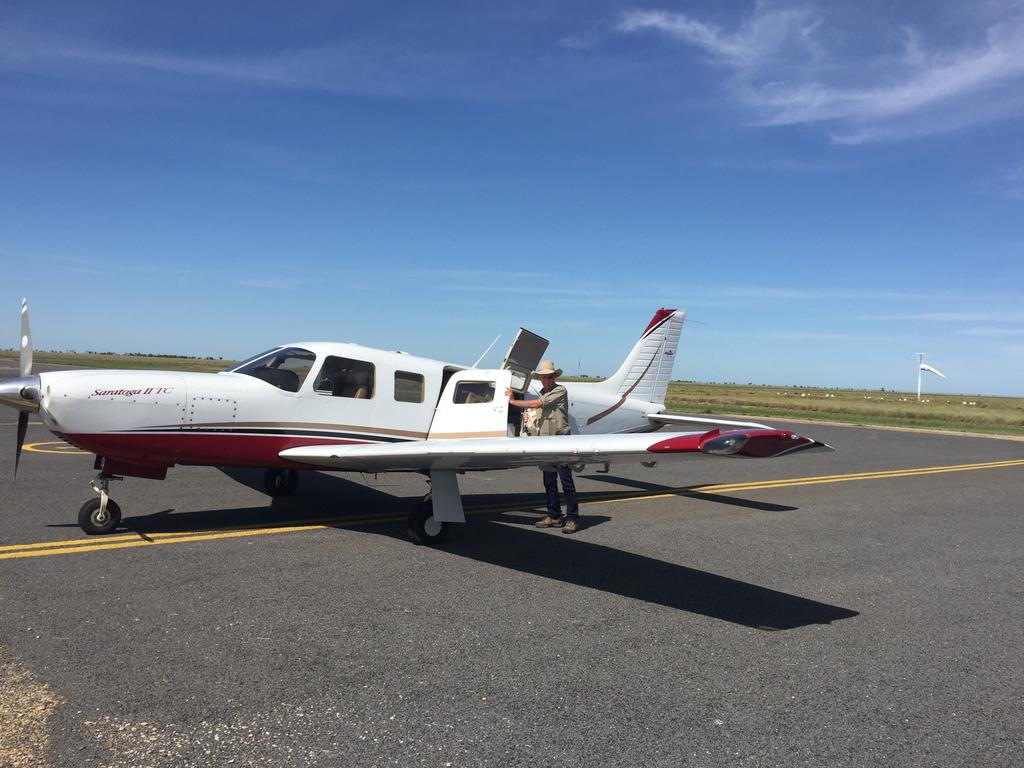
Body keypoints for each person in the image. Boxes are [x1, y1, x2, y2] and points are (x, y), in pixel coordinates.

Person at [506, 360, 581, 534]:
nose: (545, 380)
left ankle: (573, 518)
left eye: (548, 377)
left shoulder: (559, 390)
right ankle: (554, 515)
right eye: (542, 377)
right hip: (546, 442)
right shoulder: (542, 392)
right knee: (549, 482)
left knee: (566, 482)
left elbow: (537, 404)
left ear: (554, 377)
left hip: (561, 441)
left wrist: (513, 401)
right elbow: (538, 412)